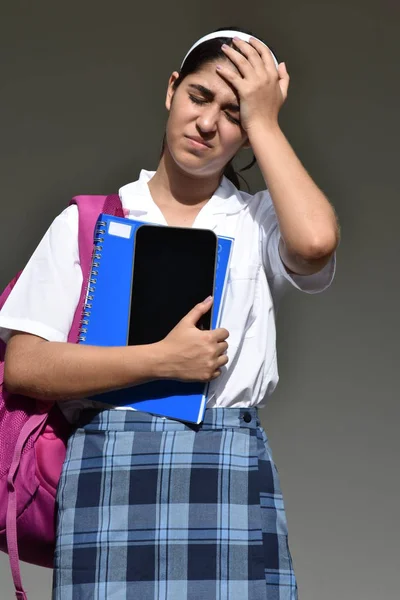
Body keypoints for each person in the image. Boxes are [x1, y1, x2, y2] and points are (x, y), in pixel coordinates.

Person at [0, 26, 339, 600]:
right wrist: (162, 360)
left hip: (225, 465)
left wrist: (267, 120)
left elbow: (315, 244)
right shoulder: (88, 221)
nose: (208, 123)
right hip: (105, 469)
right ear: (171, 90)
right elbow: (24, 366)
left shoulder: (257, 222)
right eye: (200, 97)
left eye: (234, 113)